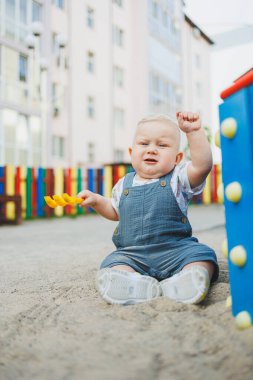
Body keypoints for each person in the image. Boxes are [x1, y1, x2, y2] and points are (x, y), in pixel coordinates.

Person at [78, 112, 219, 305]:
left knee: (203, 256)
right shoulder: (123, 184)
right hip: (132, 254)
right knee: (112, 263)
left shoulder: (178, 178)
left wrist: (193, 132)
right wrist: (96, 201)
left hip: (176, 251)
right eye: (144, 144)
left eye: (162, 145)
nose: (152, 150)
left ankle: (188, 280)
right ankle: (134, 284)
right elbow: (115, 211)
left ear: (177, 158)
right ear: (131, 152)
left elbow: (202, 166)